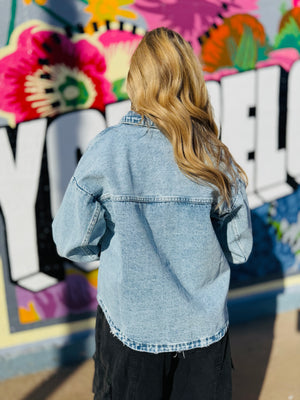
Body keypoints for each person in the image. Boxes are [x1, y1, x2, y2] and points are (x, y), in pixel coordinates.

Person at [52, 27, 253, 400]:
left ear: (136, 81)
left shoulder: (109, 150)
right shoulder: (214, 156)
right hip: (203, 333)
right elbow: (240, 250)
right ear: (191, 79)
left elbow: (70, 241)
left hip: (131, 331)